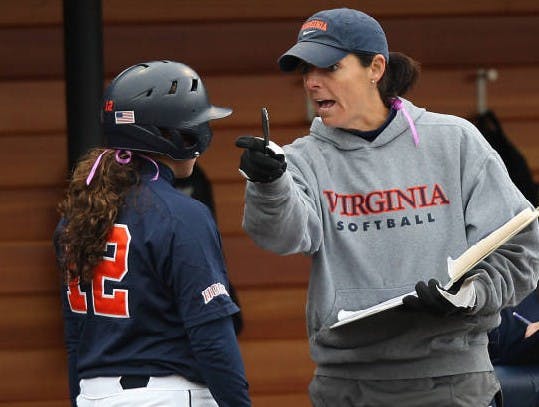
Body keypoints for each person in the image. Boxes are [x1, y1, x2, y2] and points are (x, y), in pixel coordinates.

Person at [234, 8, 539, 407]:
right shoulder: (301, 160)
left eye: (329, 67)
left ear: (375, 68)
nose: (312, 81)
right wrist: (268, 183)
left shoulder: (455, 141)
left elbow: (521, 249)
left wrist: (470, 295)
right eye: (306, 69)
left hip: (453, 383)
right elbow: (281, 237)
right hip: (346, 387)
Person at [54, 60, 251, 406]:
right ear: (170, 134)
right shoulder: (182, 214)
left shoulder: (77, 213)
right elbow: (211, 336)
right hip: (166, 394)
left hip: (94, 395)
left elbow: (75, 339)